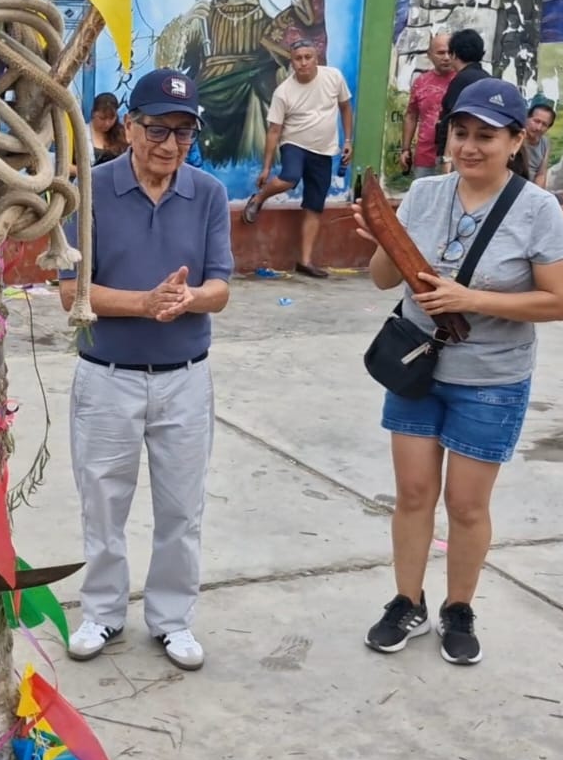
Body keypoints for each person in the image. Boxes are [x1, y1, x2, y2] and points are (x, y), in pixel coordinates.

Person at [353, 79, 563, 665]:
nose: (469, 146)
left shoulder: (538, 209)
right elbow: (383, 279)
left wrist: (469, 299)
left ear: (514, 140)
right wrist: (382, 239)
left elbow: (559, 302)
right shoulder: (425, 194)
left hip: (492, 379)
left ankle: (459, 607)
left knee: (467, 506)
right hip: (415, 368)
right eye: (460, 133)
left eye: (485, 135)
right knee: (413, 493)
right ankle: (406, 600)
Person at [60, 68, 232, 672]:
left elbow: (220, 286)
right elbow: (68, 292)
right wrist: (143, 303)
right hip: (108, 373)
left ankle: (172, 619)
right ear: (129, 127)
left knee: (182, 508)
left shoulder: (208, 193)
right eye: (157, 129)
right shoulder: (89, 192)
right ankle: (102, 611)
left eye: (183, 133)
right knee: (102, 502)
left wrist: (188, 300)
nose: (169, 145)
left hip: (185, 376)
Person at [244, 39, 353, 279]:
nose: (303, 63)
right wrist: (266, 168)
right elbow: (274, 131)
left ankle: (304, 261)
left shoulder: (333, 77)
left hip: (324, 150)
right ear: (291, 62)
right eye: (298, 58)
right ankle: (259, 198)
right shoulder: (283, 92)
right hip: (294, 143)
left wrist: (347, 141)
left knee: (314, 205)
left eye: (308, 57)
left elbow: (345, 107)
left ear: (316, 58)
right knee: (289, 178)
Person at [400, 32, 458, 180]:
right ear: (429, 55)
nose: (446, 57)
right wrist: (405, 149)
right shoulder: (421, 82)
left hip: (454, 155)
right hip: (425, 155)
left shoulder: (461, 80)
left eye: (449, 52)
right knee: (422, 198)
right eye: (440, 53)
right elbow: (411, 115)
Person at [435, 28, 488, 172]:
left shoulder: (461, 81)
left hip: (459, 154)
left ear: (454, 54)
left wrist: (447, 159)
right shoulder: (487, 79)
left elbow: (454, 120)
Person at [521, 101, 556, 188]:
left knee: (559, 201)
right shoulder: (515, 138)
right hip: (514, 186)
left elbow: (541, 174)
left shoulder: (545, 142)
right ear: (527, 118)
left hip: (532, 188)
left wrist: (537, 195)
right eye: (536, 121)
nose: (538, 128)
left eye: (544, 124)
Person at [89, 92, 128, 165]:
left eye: (111, 118)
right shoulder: (81, 133)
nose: (107, 123)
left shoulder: (123, 133)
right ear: (93, 114)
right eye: (102, 118)